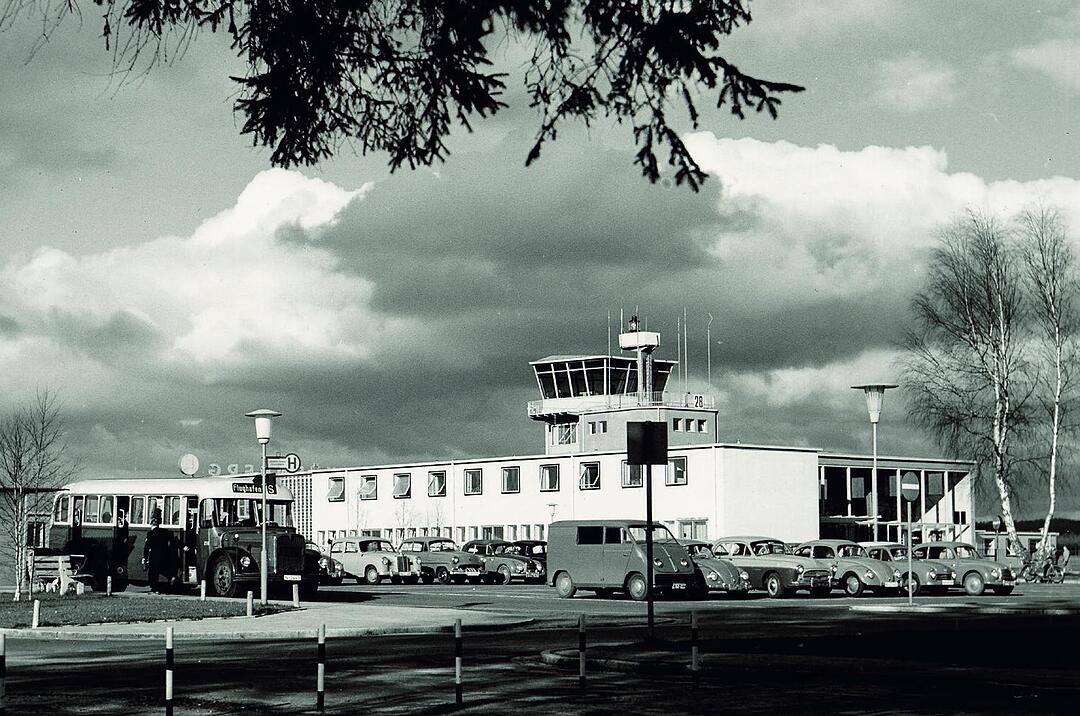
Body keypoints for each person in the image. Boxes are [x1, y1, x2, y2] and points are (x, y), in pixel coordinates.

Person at [143, 511, 176, 593]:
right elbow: (173, 540)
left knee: (153, 573)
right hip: (165, 555)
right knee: (163, 569)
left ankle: (154, 589)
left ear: (151, 524)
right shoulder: (165, 532)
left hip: (154, 556)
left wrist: (145, 557)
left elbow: (147, 547)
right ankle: (171, 576)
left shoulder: (150, 534)